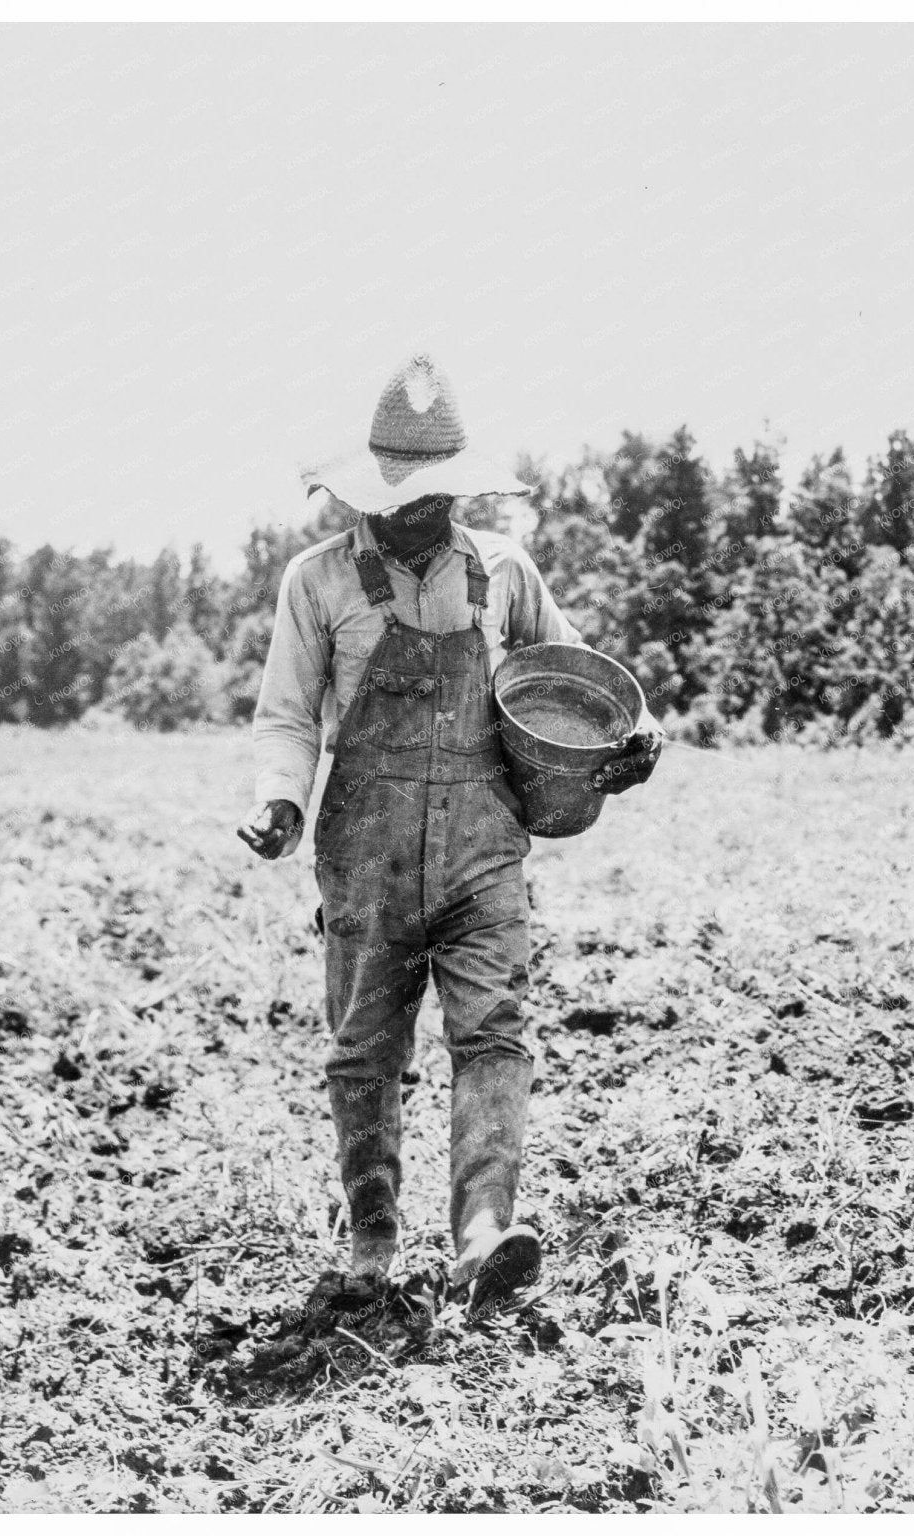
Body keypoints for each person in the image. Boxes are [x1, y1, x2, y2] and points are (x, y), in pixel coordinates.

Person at [237, 354, 663, 1310]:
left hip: (483, 848)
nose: (410, 514)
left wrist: (633, 741)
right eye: (395, 496)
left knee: (494, 1035)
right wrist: (280, 802)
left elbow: (575, 685)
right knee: (364, 1049)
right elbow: (288, 716)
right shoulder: (317, 584)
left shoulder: (504, 572)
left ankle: (481, 1232)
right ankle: (372, 1235)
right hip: (366, 857)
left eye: (430, 497)